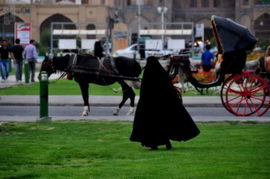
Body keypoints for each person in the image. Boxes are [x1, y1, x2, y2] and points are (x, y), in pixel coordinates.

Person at [130, 56, 200, 150]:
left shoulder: (148, 74)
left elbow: (145, 91)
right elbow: (168, 89)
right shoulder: (162, 74)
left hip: (151, 107)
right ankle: (167, 143)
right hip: (164, 106)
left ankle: (154, 145)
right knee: (165, 124)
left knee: (153, 126)